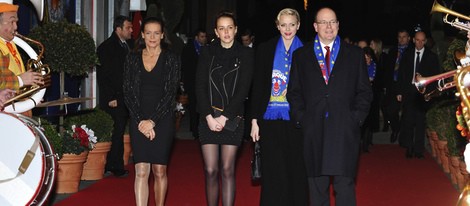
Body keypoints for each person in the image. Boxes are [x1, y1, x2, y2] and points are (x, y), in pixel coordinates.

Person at [287, 7, 372, 205]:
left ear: (338, 25)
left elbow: (365, 92)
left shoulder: (354, 54)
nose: (328, 26)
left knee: (345, 187)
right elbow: (294, 92)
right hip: (314, 130)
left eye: (332, 22)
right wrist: (302, 118)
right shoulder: (301, 55)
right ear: (315, 26)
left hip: (344, 130)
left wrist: (355, 119)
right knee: (317, 188)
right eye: (323, 22)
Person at [250, 8, 308, 206]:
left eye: (292, 24)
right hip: (270, 119)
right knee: (273, 169)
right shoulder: (265, 49)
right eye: (283, 25)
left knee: (297, 167)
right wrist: (254, 120)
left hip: (297, 119)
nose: (288, 29)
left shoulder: (308, 51)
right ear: (277, 26)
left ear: (298, 25)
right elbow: (258, 85)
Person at [195, 11, 253, 206]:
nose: (226, 32)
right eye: (222, 28)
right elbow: (200, 86)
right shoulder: (207, 52)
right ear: (216, 32)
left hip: (233, 118)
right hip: (208, 117)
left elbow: (243, 90)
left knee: (227, 169)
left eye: (230, 27)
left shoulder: (246, 54)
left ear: (235, 30)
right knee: (211, 170)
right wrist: (209, 117)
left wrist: (225, 117)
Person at [123, 17, 180, 206]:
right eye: (148, 33)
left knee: (159, 171)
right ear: (142, 35)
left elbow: (170, 93)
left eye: (157, 33)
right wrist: (141, 121)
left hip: (162, 119)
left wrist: (152, 121)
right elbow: (128, 92)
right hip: (138, 118)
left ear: (163, 35)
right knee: (140, 170)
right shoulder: (132, 58)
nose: (152, 37)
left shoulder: (171, 58)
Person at [97, 15, 133, 177]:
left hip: (126, 96)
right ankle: (114, 165)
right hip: (114, 98)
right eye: (128, 28)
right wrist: (111, 97)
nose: (131, 30)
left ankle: (115, 162)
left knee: (120, 129)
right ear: (118, 29)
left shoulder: (127, 45)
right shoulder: (107, 47)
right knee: (116, 131)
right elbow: (105, 75)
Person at [396, 31, 440, 159]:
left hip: (424, 93)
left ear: (425, 41)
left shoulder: (431, 57)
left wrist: (430, 93)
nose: (420, 42)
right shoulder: (407, 55)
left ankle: (419, 149)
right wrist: (399, 91)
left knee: (420, 122)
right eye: (417, 40)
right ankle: (409, 147)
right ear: (413, 40)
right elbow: (401, 75)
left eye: (422, 40)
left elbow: (435, 77)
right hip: (409, 91)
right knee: (408, 120)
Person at [0, 0, 43, 95]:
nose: (16, 27)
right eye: (12, 22)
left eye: (16, 22)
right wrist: (21, 80)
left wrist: (28, 95)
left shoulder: (10, 43)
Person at [383, 29, 411, 143]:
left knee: (407, 112)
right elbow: (388, 68)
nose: (402, 39)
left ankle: (405, 137)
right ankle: (396, 128)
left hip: (406, 85)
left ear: (409, 38)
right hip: (393, 84)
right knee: (390, 110)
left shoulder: (411, 51)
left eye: (404, 37)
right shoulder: (393, 51)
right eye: (399, 37)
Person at [181, 28, 207, 139]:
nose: (204, 39)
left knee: (202, 106)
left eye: (205, 37)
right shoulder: (188, 49)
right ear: (196, 37)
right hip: (192, 82)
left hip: (203, 83)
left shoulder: (206, 49)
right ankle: (194, 129)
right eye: (202, 37)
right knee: (192, 106)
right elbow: (185, 67)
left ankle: (200, 128)